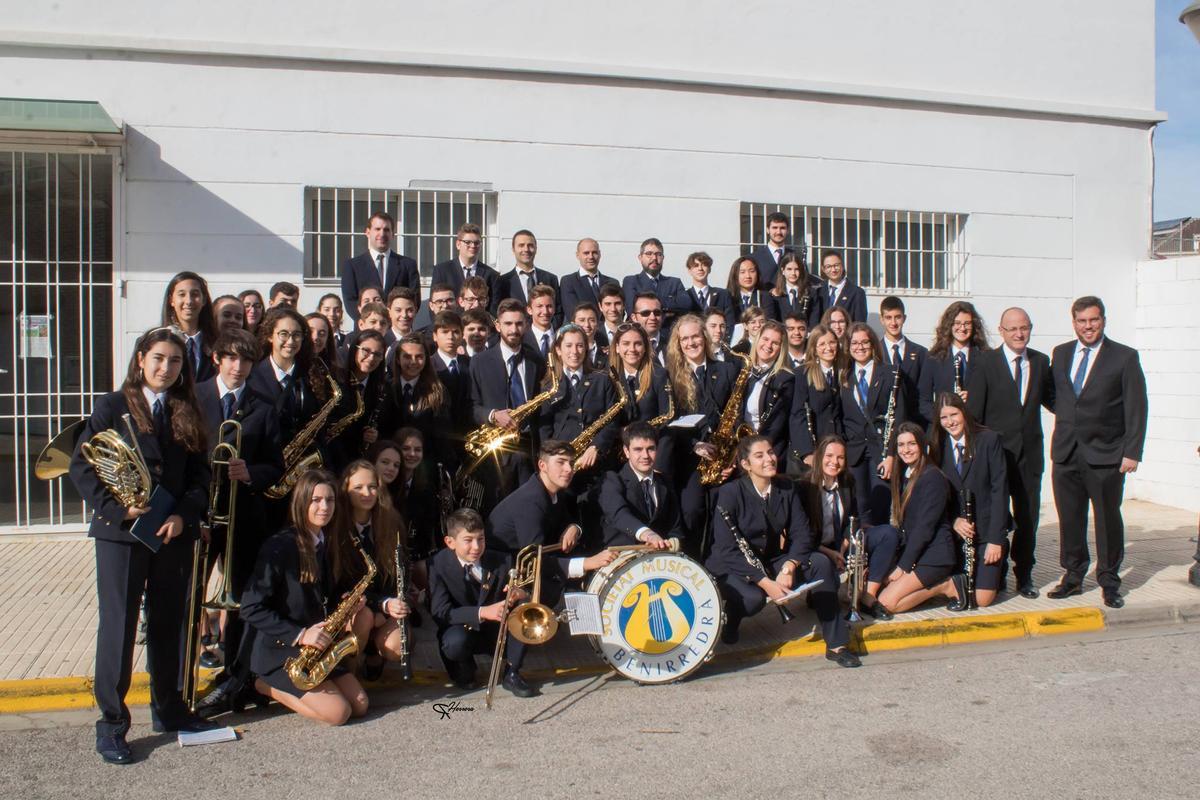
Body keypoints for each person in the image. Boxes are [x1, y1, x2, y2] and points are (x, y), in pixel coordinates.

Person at [68, 327, 215, 763]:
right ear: (141, 360)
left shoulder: (187, 410)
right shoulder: (113, 406)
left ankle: (169, 709)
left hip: (171, 534)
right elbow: (82, 467)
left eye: (175, 361)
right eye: (158, 359)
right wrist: (118, 509)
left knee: (169, 624)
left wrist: (182, 515)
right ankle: (112, 724)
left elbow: (201, 476)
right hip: (122, 535)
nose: (166, 368)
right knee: (119, 627)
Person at [192, 329, 284, 718]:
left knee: (242, 602)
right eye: (231, 358)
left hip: (243, 518)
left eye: (246, 360)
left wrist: (251, 473)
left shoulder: (264, 405)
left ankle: (235, 677)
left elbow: (276, 465)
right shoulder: (194, 397)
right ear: (217, 359)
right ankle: (181, 678)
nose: (238, 366)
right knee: (190, 596)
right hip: (199, 516)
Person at [706, 436, 860, 667]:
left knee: (820, 563)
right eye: (759, 456)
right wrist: (766, 583)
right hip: (731, 565)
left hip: (767, 559)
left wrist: (789, 566)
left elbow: (802, 534)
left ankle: (837, 644)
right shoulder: (730, 492)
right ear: (746, 464)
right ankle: (732, 617)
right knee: (754, 599)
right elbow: (727, 550)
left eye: (770, 452)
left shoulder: (786, 487)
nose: (769, 459)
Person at [486, 440, 618, 696]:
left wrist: (573, 527)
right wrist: (587, 563)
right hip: (501, 569)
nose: (569, 469)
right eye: (561, 463)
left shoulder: (552, 491)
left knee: (550, 585)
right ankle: (511, 671)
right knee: (530, 596)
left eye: (570, 462)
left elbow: (566, 517)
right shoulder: (530, 500)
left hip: (519, 560)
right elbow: (534, 560)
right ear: (542, 465)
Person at [239, 469, 370, 725]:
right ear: (301, 502)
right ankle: (262, 685)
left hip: (315, 648)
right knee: (338, 713)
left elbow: (323, 596)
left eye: (330, 500)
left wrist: (347, 603)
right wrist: (300, 635)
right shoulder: (279, 546)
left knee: (360, 705)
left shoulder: (326, 541)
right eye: (316, 500)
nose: (325, 507)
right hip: (282, 651)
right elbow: (250, 607)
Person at [1047, 296, 1147, 608]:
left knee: (1106, 519)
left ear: (1103, 320)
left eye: (1094, 320)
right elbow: (1054, 395)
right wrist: (1069, 416)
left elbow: (1137, 407)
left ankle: (1109, 581)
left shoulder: (1124, 357)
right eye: (1082, 321)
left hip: (1106, 454)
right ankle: (1073, 577)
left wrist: (1132, 452)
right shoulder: (1061, 353)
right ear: (1074, 322)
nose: (1088, 326)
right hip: (1066, 452)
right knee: (1070, 518)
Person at [967, 306, 1055, 598]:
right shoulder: (985, 363)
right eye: (1013, 328)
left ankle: (1025, 574)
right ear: (1001, 331)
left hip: (1030, 457)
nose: (1019, 334)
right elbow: (975, 415)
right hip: (997, 457)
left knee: (1028, 518)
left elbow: (1056, 402)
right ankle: (998, 572)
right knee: (998, 517)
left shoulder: (1041, 362)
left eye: (1024, 328)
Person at [662, 314, 739, 552]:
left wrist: (732, 457)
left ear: (704, 337)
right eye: (684, 339)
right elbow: (669, 421)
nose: (691, 343)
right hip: (689, 457)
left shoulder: (726, 370)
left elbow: (736, 414)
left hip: (722, 456)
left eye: (695, 336)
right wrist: (694, 445)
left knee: (723, 513)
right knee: (692, 512)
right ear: (677, 343)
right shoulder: (670, 376)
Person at [429, 508, 525, 690]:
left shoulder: (503, 560)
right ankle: (465, 666)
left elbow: (524, 590)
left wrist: (520, 594)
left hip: (496, 630)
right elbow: (440, 612)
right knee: (455, 645)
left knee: (524, 613)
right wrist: (482, 612)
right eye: (468, 540)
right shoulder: (438, 564)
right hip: (462, 630)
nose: (476, 547)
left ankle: (512, 672)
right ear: (450, 542)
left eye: (481, 539)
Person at [801, 435, 897, 620]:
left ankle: (867, 596)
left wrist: (842, 550)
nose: (835, 462)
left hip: (840, 545)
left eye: (840, 457)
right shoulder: (805, 487)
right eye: (829, 456)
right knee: (828, 590)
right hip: (816, 549)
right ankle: (817, 590)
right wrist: (830, 554)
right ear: (819, 456)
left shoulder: (848, 482)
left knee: (888, 534)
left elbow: (852, 521)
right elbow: (803, 533)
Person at [929, 393, 1009, 610]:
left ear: (964, 413)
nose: (950, 422)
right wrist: (953, 520)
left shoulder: (989, 440)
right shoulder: (937, 446)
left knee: (982, 600)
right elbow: (937, 495)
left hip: (986, 533)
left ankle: (997, 564)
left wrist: (996, 540)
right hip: (956, 534)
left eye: (954, 414)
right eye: (943, 417)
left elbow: (1000, 491)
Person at [332, 460, 410, 681]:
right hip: (355, 608)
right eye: (358, 487)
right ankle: (350, 672)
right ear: (345, 490)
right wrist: (378, 605)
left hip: (386, 603)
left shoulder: (391, 521)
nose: (367, 493)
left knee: (396, 647)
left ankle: (375, 656)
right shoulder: (336, 526)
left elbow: (403, 571)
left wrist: (388, 606)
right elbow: (340, 583)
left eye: (372, 487)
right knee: (364, 616)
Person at [468, 298, 547, 502]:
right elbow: (471, 406)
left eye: (519, 324)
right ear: (497, 325)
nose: (514, 329)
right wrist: (493, 416)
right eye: (508, 324)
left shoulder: (536, 360)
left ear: (527, 325)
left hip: (528, 449)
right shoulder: (479, 362)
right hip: (496, 452)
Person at [876, 424, 959, 614]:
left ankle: (945, 586)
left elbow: (924, 528)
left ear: (922, 445)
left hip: (935, 556)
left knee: (887, 603)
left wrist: (903, 567)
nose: (906, 450)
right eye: (901, 445)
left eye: (912, 444)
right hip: (918, 554)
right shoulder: (906, 474)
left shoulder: (933, 478)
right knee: (880, 590)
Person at [839, 323, 902, 526]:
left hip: (881, 451)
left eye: (865, 342)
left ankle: (880, 544)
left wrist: (891, 455)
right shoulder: (843, 376)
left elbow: (899, 418)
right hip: (854, 451)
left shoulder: (891, 373)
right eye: (854, 343)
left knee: (880, 506)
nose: (860, 347)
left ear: (873, 344)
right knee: (859, 507)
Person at [249, 306, 329, 451]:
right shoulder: (253, 378)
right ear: (270, 336)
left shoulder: (311, 375)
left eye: (296, 335)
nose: (291, 341)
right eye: (283, 334)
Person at [598, 422, 682, 548]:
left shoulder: (665, 482)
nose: (645, 456)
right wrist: (648, 534)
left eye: (651, 449)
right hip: (622, 553)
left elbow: (675, 528)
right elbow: (619, 514)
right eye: (638, 449)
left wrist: (674, 544)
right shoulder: (612, 480)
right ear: (626, 451)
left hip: (659, 554)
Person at [325, 329, 390, 470]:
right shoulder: (335, 381)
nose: (371, 358)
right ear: (355, 349)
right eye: (366, 350)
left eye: (377, 354)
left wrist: (375, 436)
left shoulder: (382, 389)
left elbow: (386, 426)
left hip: (357, 461)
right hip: (329, 455)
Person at [388, 333, 454, 467]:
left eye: (419, 357)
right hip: (390, 462)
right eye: (407, 357)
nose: (413, 362)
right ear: (398, 359)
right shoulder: (385, 387)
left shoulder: (436, 391)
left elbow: (442, 436)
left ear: (426, 359)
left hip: (423, 464)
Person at [919, 300, 989, 424]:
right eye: (957, 323)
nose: (962, 328)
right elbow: (923, 401)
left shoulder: (986, 357)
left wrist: (974, 398)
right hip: (943, 429)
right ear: (949, 325)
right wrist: (943, 420)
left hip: (975, 427)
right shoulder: (933, 358)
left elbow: (993, 398)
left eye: (967, 323)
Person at [341, 211, 420, 322]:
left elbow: (414, 300)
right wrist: (371, 322)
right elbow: (350, 302)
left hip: (397, 327)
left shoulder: (408, 265)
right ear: (368, 232)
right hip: (367, 328)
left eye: (386, 230)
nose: (382, 234)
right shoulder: (352, 266)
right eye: (377, 229)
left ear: (393, 234)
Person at [788, 324, 845, 473]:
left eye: (832, 342)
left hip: (838, 448)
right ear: (814, 348)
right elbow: (797, 414)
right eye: (822, 344)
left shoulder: (844, 373)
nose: (828, 347)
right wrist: (807, 453)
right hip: (815, 448)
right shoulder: (802, 374)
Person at [741, 320, 794, 462]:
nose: (768, 345)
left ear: (781, 348)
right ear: (757, 339)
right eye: (765, 339)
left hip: (767, 451)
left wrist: (752, 449)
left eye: (775, 343)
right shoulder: (743, 370)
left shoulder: (785, 379)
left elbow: (776, 425)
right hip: (741, 448)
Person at [611, 322, 673, 432]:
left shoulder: (659, 375)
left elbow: (667, 421)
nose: (632, 349)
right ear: (617, 347)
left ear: (645, 347)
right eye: (626, 344)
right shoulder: (608, 378)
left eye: (638, 344)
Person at [878, 296, 930, 429]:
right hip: (884, 427)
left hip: (914, 425)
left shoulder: (921, 353)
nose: (893, 323)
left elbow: (924, 395)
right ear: (881, 320)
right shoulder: (874, 353)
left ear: (904, 318)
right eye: (888, 317)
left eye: (898, 317)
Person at [620, 237, 691, 330]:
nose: (654, 258)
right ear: (640, 258)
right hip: (641, 334)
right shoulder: (631, 281)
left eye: (658, 254)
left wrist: (646, 303)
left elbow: (686, 305)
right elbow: (631, 309)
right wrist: (669, 306)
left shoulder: (674, 283)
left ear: (663, 258)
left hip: (668, 335)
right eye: (649, 254)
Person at [161, 271, 218, 382]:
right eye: (182, 294)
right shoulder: (156, 342)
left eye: (195, 294)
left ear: (204, 300)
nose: (189, 301)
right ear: (171, 300)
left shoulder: (217, 343)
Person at [494, 230, 560, 319]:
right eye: (521, 245)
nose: (526, 249)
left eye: (530, 245)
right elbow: (499, 313)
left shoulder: (550, 279)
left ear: (536, 249)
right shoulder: (503, 282)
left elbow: (558, 312)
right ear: (513, 249)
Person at [431, 222, 499, 302]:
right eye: (468, 242)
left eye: (477, 243)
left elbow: (494, 306)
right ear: (458, 244)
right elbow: (434, 303)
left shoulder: (491, 275)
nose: (473, 246)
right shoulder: (442, 271)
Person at [559, 237, 619, 320]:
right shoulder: (569, 281)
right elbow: (572, 314)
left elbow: (619, 312)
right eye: (586, 253)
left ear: (600, 254)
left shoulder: (613, 283)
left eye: (594, 253)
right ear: (577, 255)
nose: (591, 257)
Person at [684, 251, 735, 337]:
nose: (700, 268)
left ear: (709, 269)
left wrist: (723, 343)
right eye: (696, 265)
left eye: (704, 265)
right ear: (689, 271)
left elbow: (729, 324)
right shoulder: (684, 296)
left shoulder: (723, 295)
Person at [810, 249, 867, 325]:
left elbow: (859, 324)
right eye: (828, 266)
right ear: (823, 269)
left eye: (836, 265)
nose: (833, 270)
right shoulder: (817, 290)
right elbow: (813, 321)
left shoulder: (857, 293)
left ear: (842, 266)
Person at [750, 211, 794, 289]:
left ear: (788, 231)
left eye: (782, 228)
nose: (778, 232)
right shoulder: (754, 258)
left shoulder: (795, 257)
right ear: (767, 230)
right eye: (775, 228)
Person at [727, 256, 775, 324]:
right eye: (742, 272)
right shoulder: (729, 298)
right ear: (735, 275)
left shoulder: (765, 297)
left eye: (752, 271)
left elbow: (769, 323)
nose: (748, 276)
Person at [770, 252, 814, 323]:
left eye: (797, 269)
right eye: (789, 269)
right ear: (783, 271)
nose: (793, 273)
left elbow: (814, 322)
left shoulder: (811, 293)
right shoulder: (774, 294)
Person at [522, 284, 558, 359]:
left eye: (549, 306)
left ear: (554, 309)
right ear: (529, 310)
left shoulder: (562, 337)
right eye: (539, 306)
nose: (545, 312)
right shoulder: (521, 339)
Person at [631, 293, 668, 365]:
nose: (652, 317)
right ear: (634, 317)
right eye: (645, 313)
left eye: (657, 313)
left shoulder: (673, 345)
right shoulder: (625, 347)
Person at [572, 302, 607, 367]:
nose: (587, 325)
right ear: (573, 324)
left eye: (592, 320)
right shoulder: (567, 353)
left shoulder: (607, 352)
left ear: (597, 324)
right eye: (582, 320)